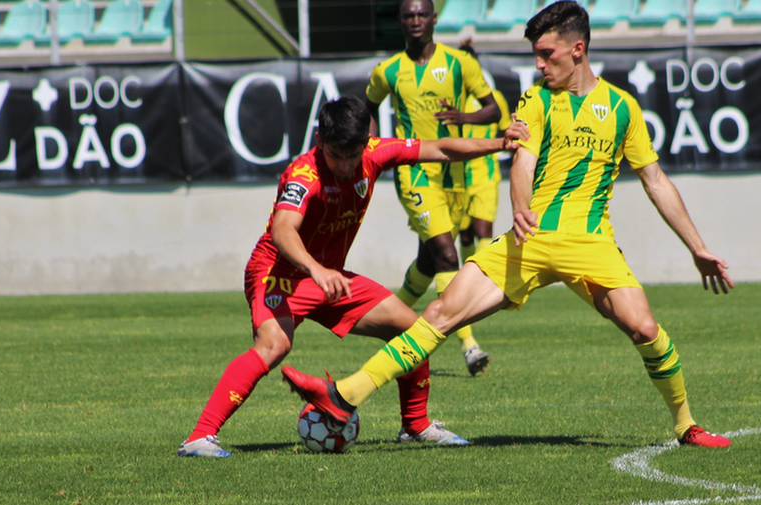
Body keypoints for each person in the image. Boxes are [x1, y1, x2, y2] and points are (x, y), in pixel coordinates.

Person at [281, 1, 735, 449]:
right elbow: (523, 160)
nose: (538, 65)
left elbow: (655, 180)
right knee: (439, 314)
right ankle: (343, 395)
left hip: (591, 246)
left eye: (547, 55)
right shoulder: (536, 100)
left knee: (646, 330)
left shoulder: (622, 108)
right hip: (528, 241)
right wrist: (521, 208)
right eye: (535, 55)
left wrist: (697, 248)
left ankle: (686, 426)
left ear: (578, 50)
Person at [177, 96, 529, 457]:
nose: (344, 165)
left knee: (416, 333)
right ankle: (199, 438)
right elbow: (283, 231)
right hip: (279, 272)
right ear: (319, 141)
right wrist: (315, 269)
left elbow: (439, 147)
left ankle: (416, 426)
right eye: (335, 155)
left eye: (352, 155)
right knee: (274, 345)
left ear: (366, 142)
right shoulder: (303, 175)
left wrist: (500, 144)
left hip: (331, 278)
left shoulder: (376, 153)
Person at [366, 0, 503, 376]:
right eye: (408, 15)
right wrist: (374, 148)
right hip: (414, 174)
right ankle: (468, 345)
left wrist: (465, 117)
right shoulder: (388, 71)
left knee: (428, 263)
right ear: (400, 20)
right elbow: (368, 109)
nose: (415, 21)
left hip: (453, 175)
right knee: (447, 255)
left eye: (421, 14)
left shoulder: (461, 63)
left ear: (433, 19)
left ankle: (390, 323)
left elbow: (493, 111)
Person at [457, 40, 513, 268]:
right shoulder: (452, 100)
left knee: (483, 228)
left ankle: (480, 277)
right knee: (465, 235)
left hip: (486, 175)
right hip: (459, 176)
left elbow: (506, 130)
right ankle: (466, 276)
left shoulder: (494, 99)